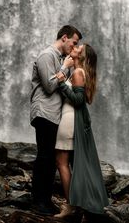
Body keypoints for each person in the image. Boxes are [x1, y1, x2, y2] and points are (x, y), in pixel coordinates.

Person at [30, 25, 82, 215]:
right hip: (44, 112)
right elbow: (50, 86)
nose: (75, 47)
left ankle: (46, 200)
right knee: (45, 156)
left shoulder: (61, 59)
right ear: (65, 38)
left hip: (54, 115)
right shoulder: (46, 55)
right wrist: (65, 68)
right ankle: (38, 201)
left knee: (51, 158)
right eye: (74, 43)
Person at [54, 43, 109, 218]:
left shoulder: (78, 73)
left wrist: (62, 83)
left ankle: (71, 205)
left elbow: (78, 100)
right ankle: (77, 202)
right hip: (71, 119)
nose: (75, 47)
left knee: (62, 162)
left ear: (82, 56)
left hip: (70, 120)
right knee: (70, 163)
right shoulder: (79, 72)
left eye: (79, 47)